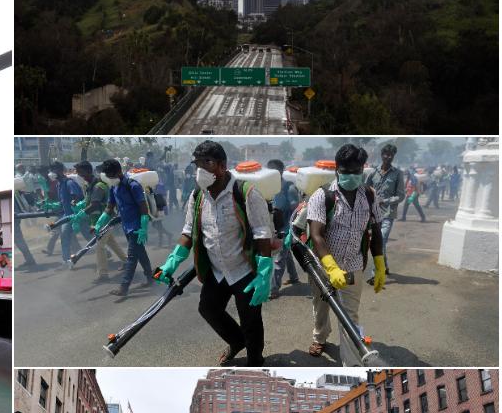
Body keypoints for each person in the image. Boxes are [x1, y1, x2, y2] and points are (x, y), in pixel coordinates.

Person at [156, 141, 274, 366]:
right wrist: (171, 263)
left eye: (206, 163)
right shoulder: (197, 196)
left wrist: (264, 270)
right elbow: (188, 232)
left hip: (244, 268)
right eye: (197, 164)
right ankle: (237, 340)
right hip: (217, 270)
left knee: (250, 319)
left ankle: (255, 360)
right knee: (208, 308)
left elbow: (261, 232)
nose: (200, 170)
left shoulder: (245, 193)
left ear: (222, 165)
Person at [305, 144, 386, 366]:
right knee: (321, 306)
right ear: (337, 170)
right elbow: (317, 235)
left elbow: (376, 230)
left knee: (350, 317)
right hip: (322, 267)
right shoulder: (322, 196)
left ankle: (352, 365)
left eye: (356, 171)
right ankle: (320, 337)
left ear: (363, 170)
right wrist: (331, 268)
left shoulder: (369, 196)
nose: (351, 175)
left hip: (353, 266)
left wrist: (379, 264)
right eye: (346, 171)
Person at [96, 159, 154, 297]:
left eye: (112, 175)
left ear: (118, 171)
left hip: (136, 227)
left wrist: (144, 228)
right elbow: (110, 207)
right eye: (108, 176)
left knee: (132, 257)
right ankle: (150, 277)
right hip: (126, 225)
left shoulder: (133, 186)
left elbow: (143, 208)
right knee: (141, 253)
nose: (110, 178)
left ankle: (124, 286)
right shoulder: (113, 187)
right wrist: (99, 222)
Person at [74, 161, 124, 283]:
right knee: (111, 242)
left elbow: (95, 205)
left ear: (88, 171)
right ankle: (127, 261)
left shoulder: (98, 186)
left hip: (104, 220)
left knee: (100, 246)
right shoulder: (89, 185)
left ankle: (103, 274)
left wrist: (82, 214)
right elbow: (87, 201)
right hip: (98, 220)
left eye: (81, 172)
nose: (79, 175)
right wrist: (78, 205)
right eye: (78, 173)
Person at [366, 144, 405, 275]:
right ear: (381, 155)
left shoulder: (398, 174)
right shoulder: (372, 172)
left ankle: (376, 272)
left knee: (380, 240)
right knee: (380, 242)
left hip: (388, 213)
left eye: (391, 155)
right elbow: (365, 189)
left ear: (393, 156)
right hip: (374, 213)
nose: (388, 157)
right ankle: (385, 265)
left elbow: (401, 196)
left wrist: (386, 201)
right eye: (385, 154)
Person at [266, 159, 300, 298]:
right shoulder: (268, 186)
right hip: (275, 227)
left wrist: (292, 230)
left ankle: (274, 289)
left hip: (287, 228)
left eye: (275, 170)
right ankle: (294, 277)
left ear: (281, 171)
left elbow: (296, 210)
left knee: (279, 259)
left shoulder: (289, 187)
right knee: (287, 254)